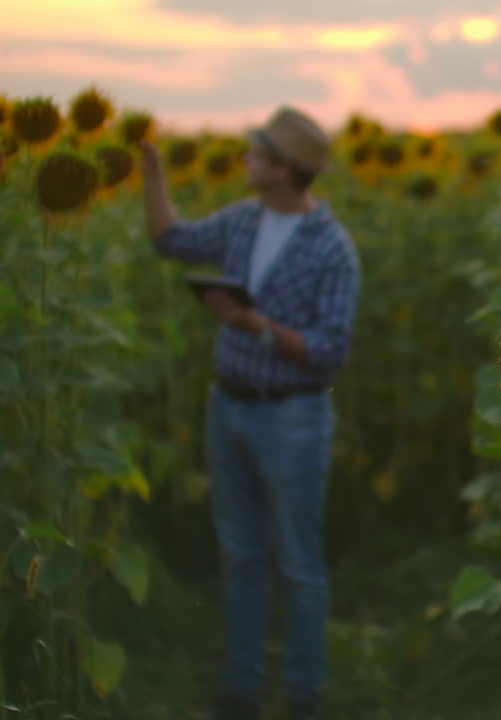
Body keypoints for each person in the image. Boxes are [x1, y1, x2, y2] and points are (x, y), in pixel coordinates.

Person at [139, 106, 361, 720]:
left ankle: (303, 698)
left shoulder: (331, 250)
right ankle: (238, 693)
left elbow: (329, 353)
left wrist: (252, 324)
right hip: (228, 406)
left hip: (293, 418)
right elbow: (170, 240)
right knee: (239, 556)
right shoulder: (243, 221)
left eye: (257, 152)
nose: (245, 159)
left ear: (284, 169)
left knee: (298, 564)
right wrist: (152, 171)